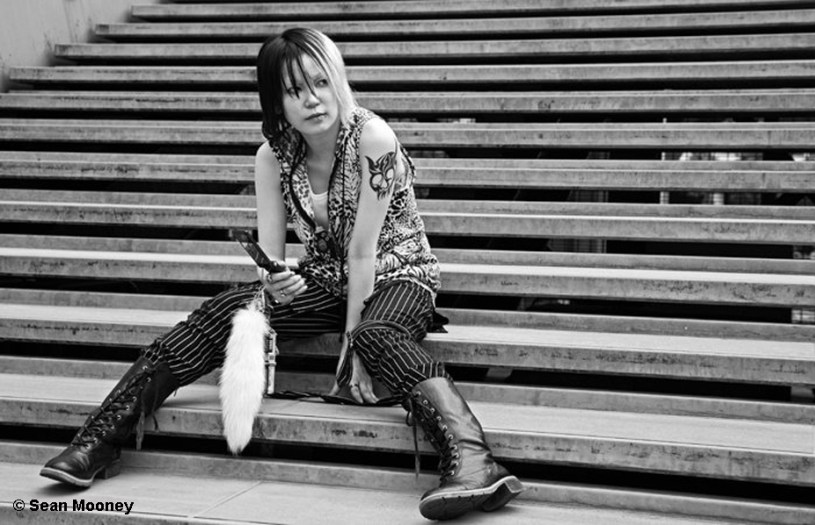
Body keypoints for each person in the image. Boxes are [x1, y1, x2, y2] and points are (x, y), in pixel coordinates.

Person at [40, 27, 523, 521]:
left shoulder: (372, 138)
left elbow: (363, 255)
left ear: (337, 79)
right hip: (330, 277)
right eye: (294, 91)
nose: (312, 100)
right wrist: (277, 281)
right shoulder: (272, 156)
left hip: (399, 273)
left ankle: (475, 461)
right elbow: (270, 261)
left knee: (377, 336)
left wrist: (352, 352)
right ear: (277, 102)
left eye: (319, 82)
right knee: (231, 305)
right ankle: (98, 439)